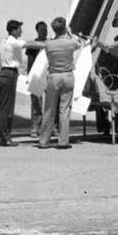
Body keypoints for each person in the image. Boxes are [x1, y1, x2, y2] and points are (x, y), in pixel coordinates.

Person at [0, 19, 43, 146]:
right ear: (14, 30)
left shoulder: (5, 41)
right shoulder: (13, 41)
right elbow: (30, 44)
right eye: (19, 29)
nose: (21, 31)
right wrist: (47, 44)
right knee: (7, 110)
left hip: (3, 74)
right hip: (9, 74)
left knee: (1, 108)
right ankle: (5, 139)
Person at [38, 16, 84, 150]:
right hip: (68, 76)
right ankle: (63, 141)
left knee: (49, 109)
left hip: (53, 76)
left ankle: (44, 141)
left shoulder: (49, 44)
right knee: (65, 109)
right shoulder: (70, 43)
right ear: (64, 28)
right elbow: (79, 43)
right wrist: (70, 32)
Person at [26, 21, 48, 137]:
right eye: (42, 30)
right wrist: (29, 77)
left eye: (46, 29)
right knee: (36, 103)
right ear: (37, 31)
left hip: (48, 75)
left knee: (51, 102)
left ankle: (52, 127)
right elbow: (29, 61)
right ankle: (35, 127)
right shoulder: (32, 45)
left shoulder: (50, 43)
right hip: (36, 75)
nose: (44, 32)